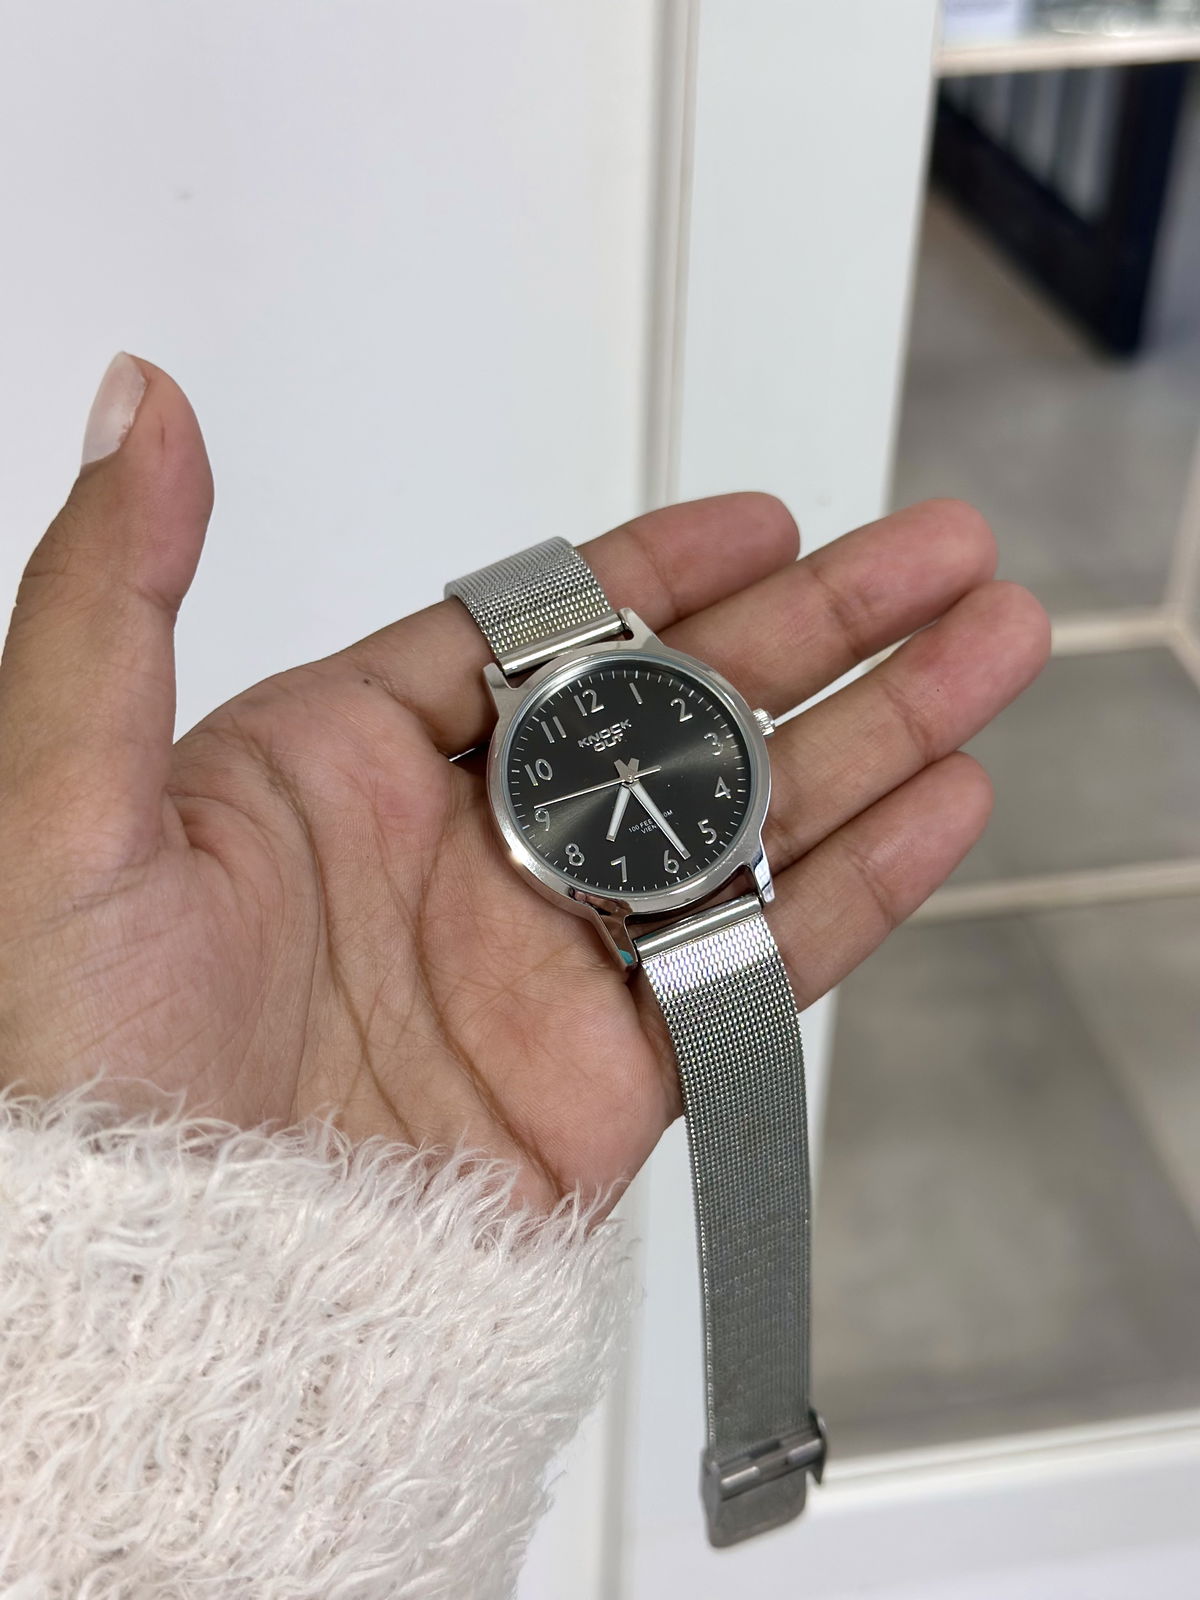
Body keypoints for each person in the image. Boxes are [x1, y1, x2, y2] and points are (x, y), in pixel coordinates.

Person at [0, 354, 1049, 1594]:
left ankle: (766, 1463)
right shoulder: (544, 835)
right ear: (522, 818)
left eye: (641, 758)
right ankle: (766, 1461)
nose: (626, 773)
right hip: (647, 898)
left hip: (697, 874)